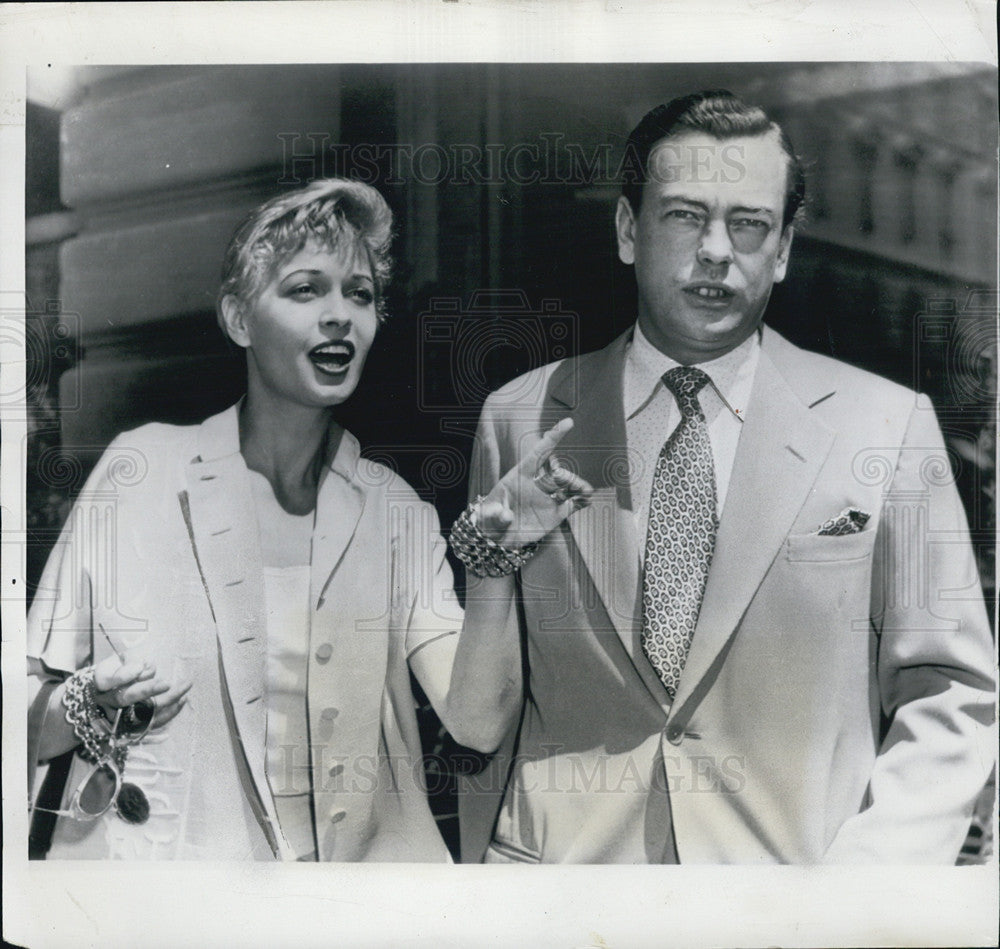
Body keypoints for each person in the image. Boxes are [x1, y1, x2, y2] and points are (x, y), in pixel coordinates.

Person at [456, 90, 996, 864]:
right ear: (626, 230)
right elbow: (484, 716)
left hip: (793, 898)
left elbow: (950, 692)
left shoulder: (888, 425)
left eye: (748, 223)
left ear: (781, 250)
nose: (716, 249)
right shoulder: (521, 417)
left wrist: (866, 890)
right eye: (683, 215)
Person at [26, 178, 590, 861]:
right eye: (305, 290)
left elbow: (476, 724)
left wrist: (495, 559)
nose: (340, 316)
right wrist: (87, 702)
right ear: (238, 317)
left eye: (360, 294)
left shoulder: (394, 512)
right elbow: (24, 724)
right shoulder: (141, 469)